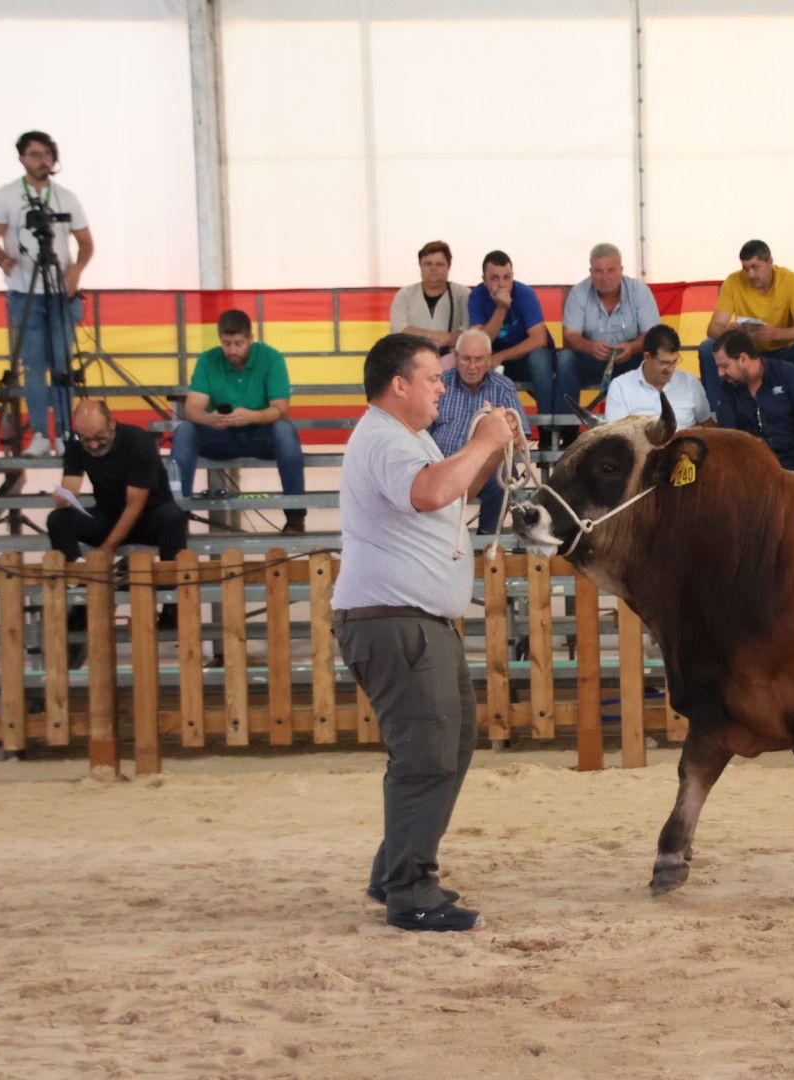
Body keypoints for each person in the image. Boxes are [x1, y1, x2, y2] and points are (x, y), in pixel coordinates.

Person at [332, 332, 522, 933]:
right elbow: (431, 491)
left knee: (451, 742)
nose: (444, 386)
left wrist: (487, 450)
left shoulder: (405, 437)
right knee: (427, 754)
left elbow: (451, 487)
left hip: (412, 621)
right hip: (397, 621)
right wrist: (486, 438)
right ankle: (411, 890)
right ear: (400, 385)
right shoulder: (386, 439)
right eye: (432, 377)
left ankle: (394, 869)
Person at [0, 130, 94, 456]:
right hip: (24, 291)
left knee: (61, 363)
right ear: (21, 158)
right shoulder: (6, 195)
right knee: (33, 365)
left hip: (60, 292)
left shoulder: (66, 197)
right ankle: (41, 434)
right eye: (34, 154)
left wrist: (75, 270)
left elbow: (86, 242)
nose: (42, 160)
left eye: (46, 154)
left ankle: (65, 432)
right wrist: (2, 258)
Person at [170, 309, 308, 533]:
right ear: (220, 340)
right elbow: (192, 408)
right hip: (223, 434)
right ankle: (176, 517)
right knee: (185, 430)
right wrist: (209, 418)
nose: (232, 350)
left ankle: (295, 516)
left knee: (285, 430)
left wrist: (252, 416)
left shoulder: (271, 358)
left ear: (250, 339)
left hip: (261, 434)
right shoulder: (208, 359)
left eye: (239, 343)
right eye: (226, 344)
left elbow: (281, 409)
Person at [49, 400, 187, 564]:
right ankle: (77, 575)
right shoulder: (76, 445)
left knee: (172, 516)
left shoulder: (138, 441)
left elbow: (135, 505)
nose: (93, 445)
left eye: (99, 437)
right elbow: (70, 486)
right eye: (86, 439)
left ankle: (170, 580)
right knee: (58, 519)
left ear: (112, 423)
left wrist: (106, 551)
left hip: (149, 517)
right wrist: (64, 498)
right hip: (108, 516)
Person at [555, 243, 662, 441]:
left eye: (611, 270)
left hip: (631, 361)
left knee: (654, 356)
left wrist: (632, 347)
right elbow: (569, 337)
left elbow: (653, 335)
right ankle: (566, 432)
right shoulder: (579, 292)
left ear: (621, 269)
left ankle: (653, 425)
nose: (604, 277)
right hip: (592, 360)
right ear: (590, 271)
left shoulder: (639, 291)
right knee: (566, 358)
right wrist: (590, 347)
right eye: (598, 271)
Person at [430, 328, 531, 533]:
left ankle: (487, 540)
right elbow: (422, 432)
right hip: (444, 464)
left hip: (488, 466)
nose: (473, 366)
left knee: (502, 478)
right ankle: (441, 537)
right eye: (466, 359)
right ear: (455, 357)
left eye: (479, 359)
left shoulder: (503, 386)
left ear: (489, 359)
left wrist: (507, 429)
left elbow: (520, 436)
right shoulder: (440, 384)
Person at [698, 240, 794, 411]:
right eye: (745, 268)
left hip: (783, 352)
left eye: (755, 267)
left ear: (770, 262)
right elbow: (712, 330)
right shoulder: (733, 281)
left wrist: (776, 333)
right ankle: (716, 414)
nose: (750, 274)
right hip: (746, 355)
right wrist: (729, 332)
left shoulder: (790, 280)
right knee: (708, 347)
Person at [714, 329, 794, 476]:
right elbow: (728, 434)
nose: (720, 373)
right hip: (756, 463)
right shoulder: (727, 388)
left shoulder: (787, 373)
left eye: (724, 366)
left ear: (743, 358)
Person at [468, 250, 557, 450]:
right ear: (484, 279)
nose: (502, 284)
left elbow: (539, 339)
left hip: (526, 359)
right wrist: (501, 309)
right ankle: (482, 432)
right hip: (496, 363)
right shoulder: (476, 296)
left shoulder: (525, 293)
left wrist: (501, 356)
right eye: (495, 278)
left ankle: (547, 431)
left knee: (540, 358)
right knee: (473, 363)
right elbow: (479, 342)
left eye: (507, 277)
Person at [604, 324, 713, 427]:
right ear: (647, 357)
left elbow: (708, 424)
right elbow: (616, 436)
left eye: (675, 361)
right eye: (665, 363)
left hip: (684, 444)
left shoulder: (690, 381)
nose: (671, 369)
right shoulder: (620, 386)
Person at [389, 240, 471, 355]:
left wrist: (449, 339)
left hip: (454, 362)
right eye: (428, 264)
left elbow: (470, 331)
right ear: (420, 266)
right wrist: (440, 336)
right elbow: (398, 328)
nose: (433, 268)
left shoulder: (464, 294)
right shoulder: (405, 294)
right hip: (411, 360)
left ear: (449, 266)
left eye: (439, 264)